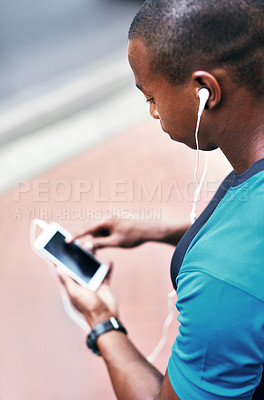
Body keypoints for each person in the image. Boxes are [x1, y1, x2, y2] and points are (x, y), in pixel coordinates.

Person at [58, 0, 264, 399]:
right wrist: (169, 231)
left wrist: (102, 322)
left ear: (207, 90)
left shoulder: (219, 278)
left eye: (151, 95)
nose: (152, 112)